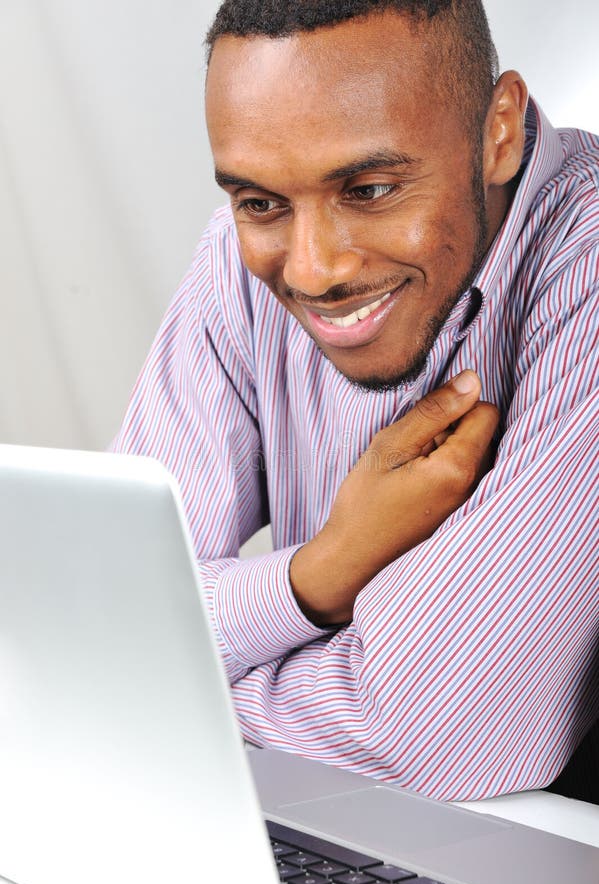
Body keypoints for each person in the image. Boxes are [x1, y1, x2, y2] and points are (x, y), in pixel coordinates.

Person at [112, 0, 598, 801]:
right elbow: (93, 604)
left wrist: (140, 686)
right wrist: (322, 572)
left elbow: (431, 735)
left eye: (369, 189)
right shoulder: (235, 257)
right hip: (301, 814)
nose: (312, 270)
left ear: (499, 132)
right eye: (259, 202)